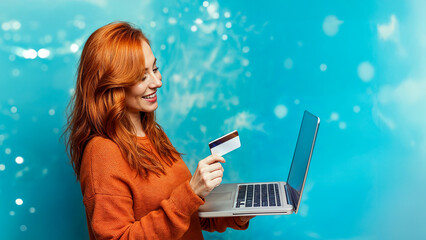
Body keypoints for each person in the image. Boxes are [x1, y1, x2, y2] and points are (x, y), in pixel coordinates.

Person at [65, 21, 253, 240]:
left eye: (154, 69)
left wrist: (243, 211)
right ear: (111, 83)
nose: (157, 82)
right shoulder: (102, 152)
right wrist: (190, 193)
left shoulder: (153, 133)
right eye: (141, 76)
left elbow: (187, 219)